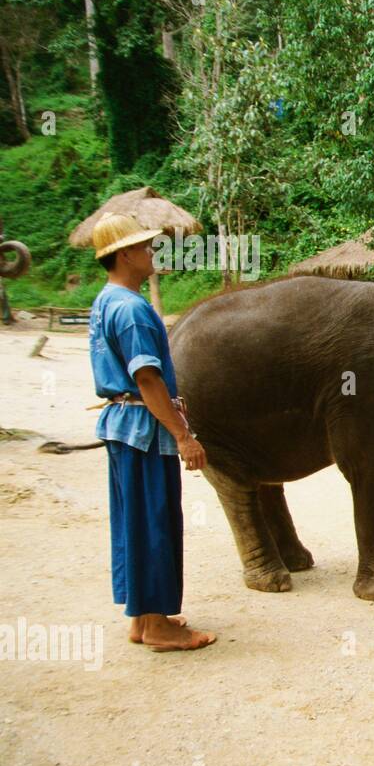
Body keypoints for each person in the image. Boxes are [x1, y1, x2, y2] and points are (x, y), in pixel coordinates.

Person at [87, 213, 215, 653]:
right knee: (156, 522)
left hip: (124, 429)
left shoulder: (107, 299)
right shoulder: (133, 309)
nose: (150, 253)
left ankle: (143, 618)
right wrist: (183, 435)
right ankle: (159, 627)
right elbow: (147, 379)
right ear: (124, 255)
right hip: (145, 430)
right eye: (144, 247)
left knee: (136, 523)